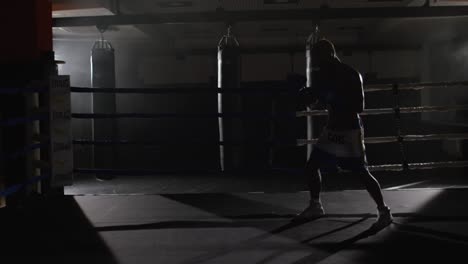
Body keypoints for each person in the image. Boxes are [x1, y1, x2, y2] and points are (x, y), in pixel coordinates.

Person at [295, 39, 392, 229]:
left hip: (349, 130)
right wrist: (309, 96)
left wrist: (332, 97)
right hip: (331, 130)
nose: (316, 63)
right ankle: (316, 206)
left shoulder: (351, 74)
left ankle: (384, 211)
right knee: (311, 166)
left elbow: (359, 107)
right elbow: (319, 99)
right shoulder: (324, 74)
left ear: (329, 54)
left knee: (361, 172)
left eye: (318, 58)